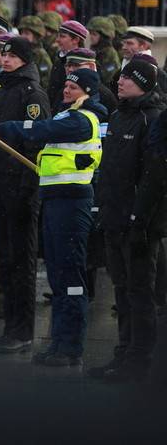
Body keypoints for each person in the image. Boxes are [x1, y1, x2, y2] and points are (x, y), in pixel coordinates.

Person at [0, 68, 106, 366]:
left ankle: (70, 347)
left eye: (73, 87)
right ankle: (59, 343)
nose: (66, 90)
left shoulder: (82, 120)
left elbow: (35, 130)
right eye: (66, 85)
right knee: (58, 275)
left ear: (87, 91)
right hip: (56, 202)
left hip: (73, 205)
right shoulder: (65, 115)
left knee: (70, 277)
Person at [91, 59, 166, 381]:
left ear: (145, 85)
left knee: (140, 292)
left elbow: (154, 177)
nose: (120, 82)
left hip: (139, 224)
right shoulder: (119, 115)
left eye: (129, 79)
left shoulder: (153, 119)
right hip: (114, 217)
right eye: (121, 76)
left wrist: (141, 220)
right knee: (121, 289)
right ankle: (123, 353)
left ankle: (140, 359)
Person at [0, 37, 51, 353]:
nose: (4, 59)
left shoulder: (31, 93)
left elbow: (35, 141)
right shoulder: (3, 90)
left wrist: (28, 188)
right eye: (2, 54)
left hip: (20, 186)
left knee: (21, 263)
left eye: (11, 56)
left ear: (24, 59)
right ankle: (10, 326)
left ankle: (22, 330)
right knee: (5, 258)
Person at [47, 21, 88, 114]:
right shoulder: (59, 61)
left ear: (76, 40)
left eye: (62, 36)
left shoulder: (84, 64)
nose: (57, 40)